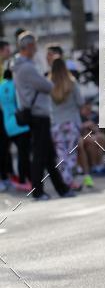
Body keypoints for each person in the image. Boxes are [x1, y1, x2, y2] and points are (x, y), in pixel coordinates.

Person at [12, 32, 75, 200]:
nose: (36, 48)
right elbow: (47, 86)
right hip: (38, 114)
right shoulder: (26, 67)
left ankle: (61, 189)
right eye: (34, 45)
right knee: (41, 155)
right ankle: (38, 191)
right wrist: (46, 80)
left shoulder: (20, 65)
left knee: (48, 155)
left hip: (35, 113)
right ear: (29, 46)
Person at [49, 58, 85, 191]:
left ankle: (65, 181)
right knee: (71, 154)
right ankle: (69, 181)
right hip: (71, 123)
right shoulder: (72, 83)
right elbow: (80, 102)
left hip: (56, 124)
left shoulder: (48, 84)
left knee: (60, 155)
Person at [0, 67, 31, 190]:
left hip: (7, 124)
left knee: (6, 152)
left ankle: (12, 178)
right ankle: (24, 179)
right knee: (23, 154)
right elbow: (22, 103)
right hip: (20, 123)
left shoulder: (1, 87)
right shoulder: (17, 85)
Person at [0, 38, 14, 188]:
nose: (9, 53)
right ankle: (3, 176)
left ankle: (7, 175)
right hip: (2, 111)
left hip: (5, 111)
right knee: (3, 144)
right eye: (7, 50)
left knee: (6, 144)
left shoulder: (5, 65)